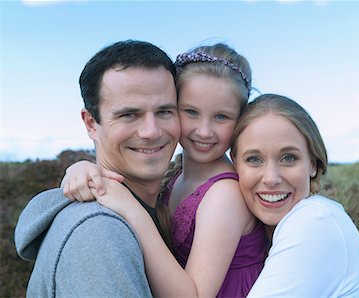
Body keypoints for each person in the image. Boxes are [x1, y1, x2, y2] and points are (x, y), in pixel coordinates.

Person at [60, 43, 266, 297]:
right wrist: (80, 167)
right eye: (190, 112)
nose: (203, 131)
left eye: (221, 117)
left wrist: (134, 213)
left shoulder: (225, 194)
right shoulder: (176, 175)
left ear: (240, 120)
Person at [14, 40, 181, 297]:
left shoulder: (165, 203)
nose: (152, 131)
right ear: (91, 123)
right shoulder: (98, 235)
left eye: (165, 111)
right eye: (129, 114)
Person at [230, 93, 359, 297]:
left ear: (312, 163)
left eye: (288, 158)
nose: (271, 178)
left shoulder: (314, 220)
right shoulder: (265, 234)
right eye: (254, 159)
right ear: (234, 163)